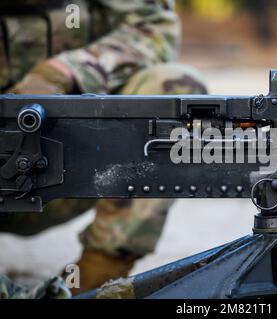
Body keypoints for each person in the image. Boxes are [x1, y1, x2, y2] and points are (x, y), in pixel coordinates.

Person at [0, 0, 207, 298]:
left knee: (177, 88)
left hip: (64, 169)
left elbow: (155, 26)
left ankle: (95, 278)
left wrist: (64, 73)